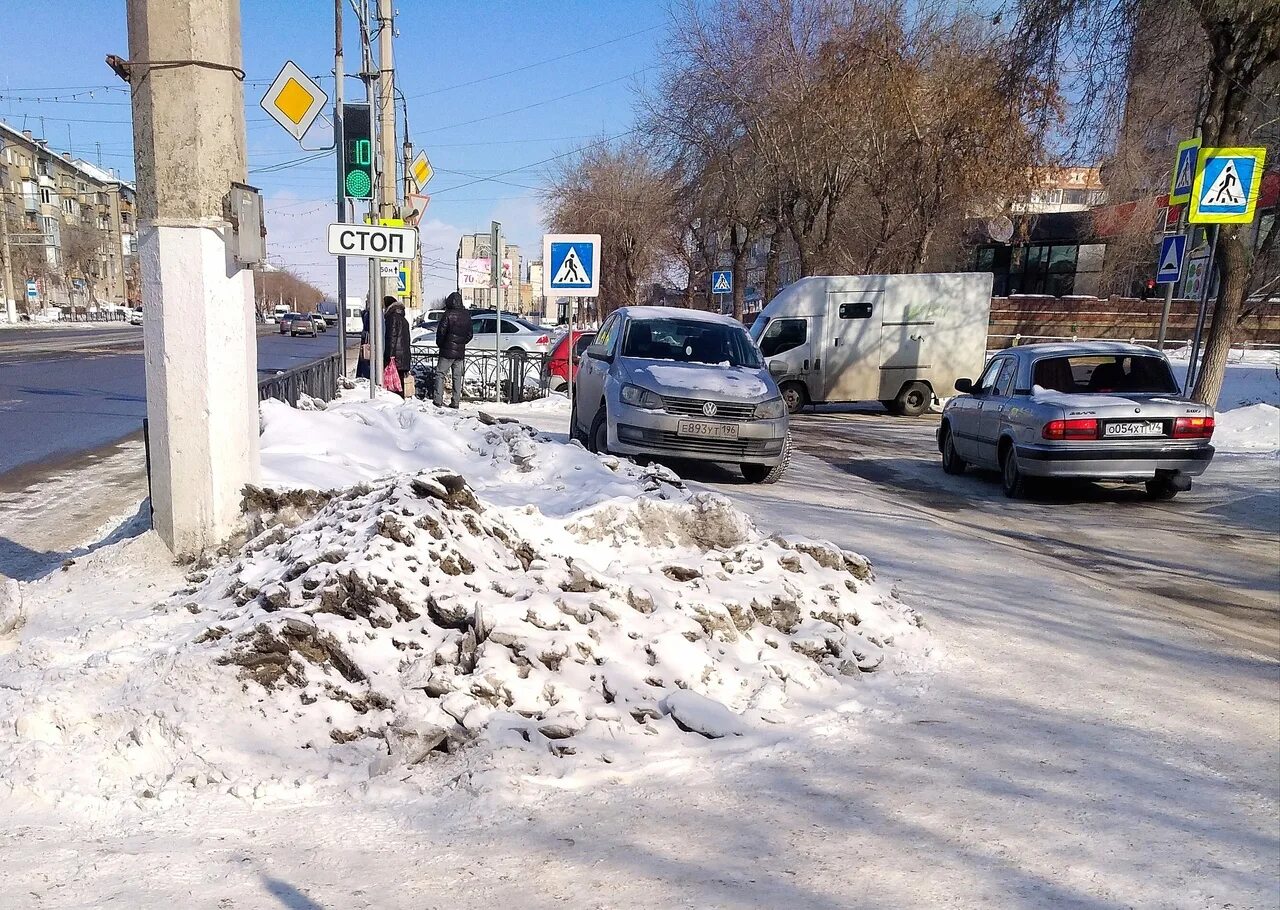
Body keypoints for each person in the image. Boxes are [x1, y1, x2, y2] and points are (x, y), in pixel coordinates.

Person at [434, 291, 472, 408]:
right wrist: (460, 343)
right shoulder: (466, 315)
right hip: (460, 352)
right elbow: (470, 334)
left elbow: (441, 332)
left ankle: (438, 400)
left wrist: (441, 344)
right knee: (457, 377)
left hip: (446, 351)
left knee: (440, 374)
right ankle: (456, 402)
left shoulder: (448, 314)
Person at [383, 295, 411, 398]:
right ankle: (400, 405)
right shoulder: (403, 319)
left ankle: (396, 407)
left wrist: (388, 357)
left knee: (393, 387)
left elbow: (391, 337)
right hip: (403, 357)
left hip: (395, 358)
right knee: (399, 384)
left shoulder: (392, 318)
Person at [355, 306, 371, 380]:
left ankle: (361, 375)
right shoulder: (368, 314)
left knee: (364, 361)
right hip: (368, 343)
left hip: (366, 342)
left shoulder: (366, 313)